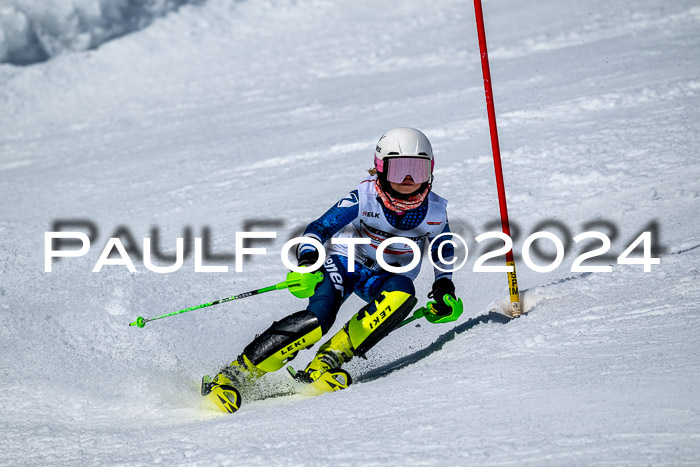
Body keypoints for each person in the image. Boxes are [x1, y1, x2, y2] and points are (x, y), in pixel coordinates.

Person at [202, 127, 463, 413]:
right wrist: (306, 263)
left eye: (418, 169)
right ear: (381, 168)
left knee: (403, 294)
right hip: (345, 263)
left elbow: (443, 248)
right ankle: (236, 373)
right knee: (318, 320)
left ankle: (327, 361)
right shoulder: (363, 197)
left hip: (388, 276)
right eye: (400, 169)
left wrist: (443, 287)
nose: (409, 180)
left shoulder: (436, 211)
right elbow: (318, 228)